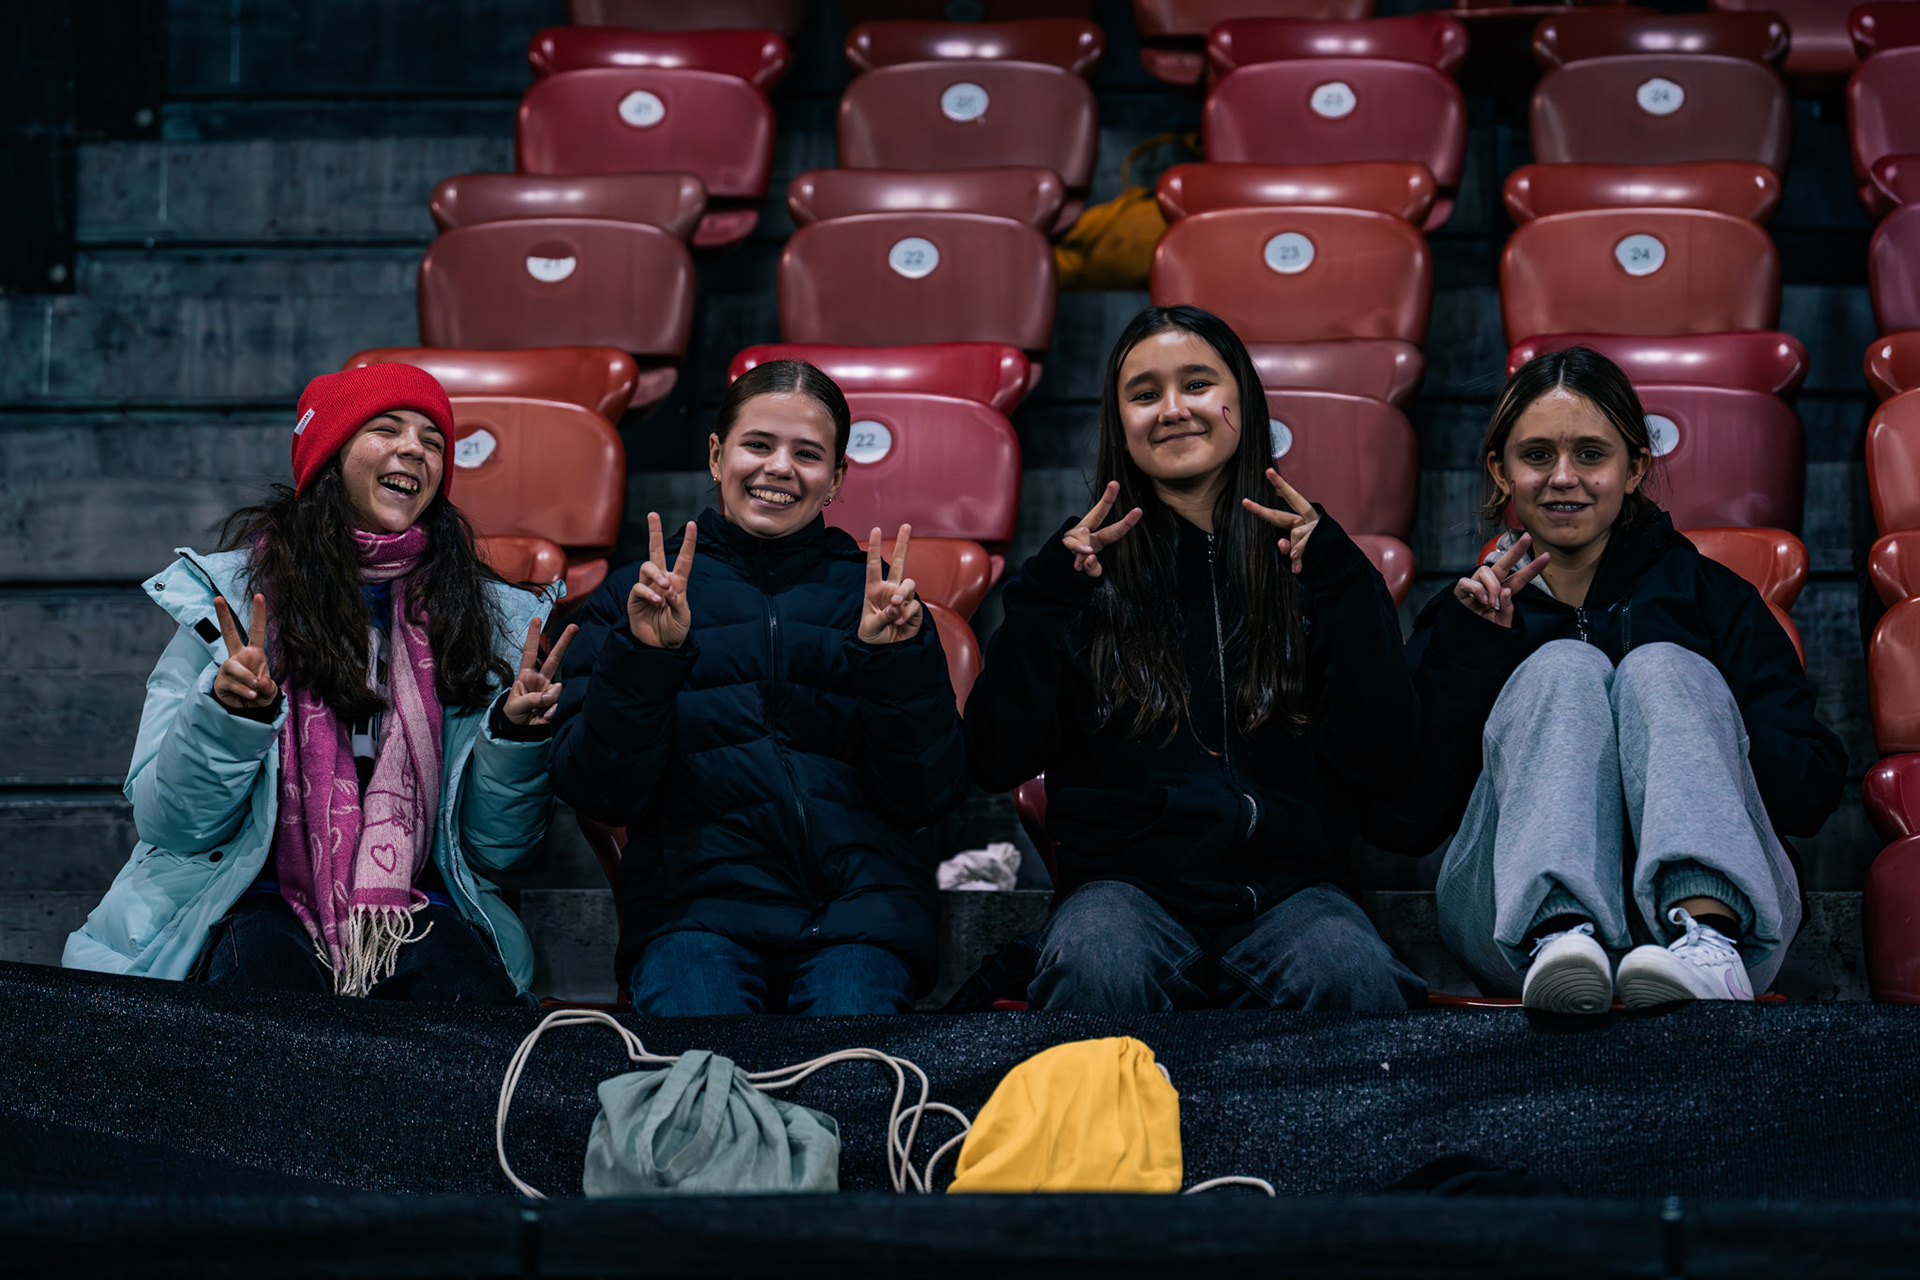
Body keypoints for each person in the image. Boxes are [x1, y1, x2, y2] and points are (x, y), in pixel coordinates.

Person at [964, 304, 1428, 1014]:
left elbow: (1386, 762)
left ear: (1242, 399)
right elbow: (995, 757)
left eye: (1198, 384)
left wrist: (1345, 584)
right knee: (1098, 964)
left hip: (1291, 893)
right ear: (1121, 425)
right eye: (1145, 394)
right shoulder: (1077, 574)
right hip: (1122, 894)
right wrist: (1043, 604)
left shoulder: (1317, 570)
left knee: (1354, 974)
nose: (1174, 409)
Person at [64, 363, 573, 1004]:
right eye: (386, 429)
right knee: (275, 1023)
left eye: (432, 439)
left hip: (415, 900)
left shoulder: (477, 617)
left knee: (469, 1025)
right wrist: (229, 717)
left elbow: (495, 854)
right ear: (330, 456)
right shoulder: (234, 604)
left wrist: (512, 738)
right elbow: (174, 824)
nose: (414, 448)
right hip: (253, 894)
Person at [1366, 347, 1845, 1012]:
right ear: (1500, 472)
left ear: (1635, 468)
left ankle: (1704, 934)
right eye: (1536, 456)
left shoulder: (1712, 599)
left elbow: (1810, 793)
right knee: (1564, 667)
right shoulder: (1467, 616)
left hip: (1735, 932)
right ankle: (1563, 933)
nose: (1564, 478)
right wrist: (1475, 655)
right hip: (1515, 934)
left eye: (1591, 454)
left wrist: (1691, 717)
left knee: (1661, 668)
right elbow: (1405, 821)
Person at [548, 359, 967, 1017]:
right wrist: (645, 659)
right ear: (717, 456)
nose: (779, 468)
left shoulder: (877, 600)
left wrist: (894, 664)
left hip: (858, 917)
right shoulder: (641, 597)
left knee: (852, 1078)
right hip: (695, 916)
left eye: (807, 454)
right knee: (700, 1082)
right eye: (758, 445)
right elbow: (598, 791)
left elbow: (929, 795)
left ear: (835, 480)